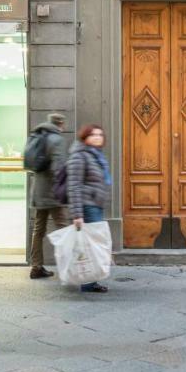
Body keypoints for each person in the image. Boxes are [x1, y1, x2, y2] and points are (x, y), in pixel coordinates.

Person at [66, 124, 112, 294]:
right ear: (85, 137)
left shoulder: (96, 156)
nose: (98, 137)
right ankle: (87, 282)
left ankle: (90, 281)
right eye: (93, 135)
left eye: (100, 134)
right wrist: (77, 214)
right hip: (87, 206)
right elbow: (74, 186)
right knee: (90, 245)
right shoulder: (80, 156)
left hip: (95, 204)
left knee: (91, 245)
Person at [27, 113, 70, 280]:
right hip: (52, 193)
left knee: (38, 230)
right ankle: (68, 267)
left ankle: (36, 266)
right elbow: (58, 168)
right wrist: (63, 190)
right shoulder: (57, 140)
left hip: (38, 191)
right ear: (60, 123)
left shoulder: (37, 135)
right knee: (64, 229)